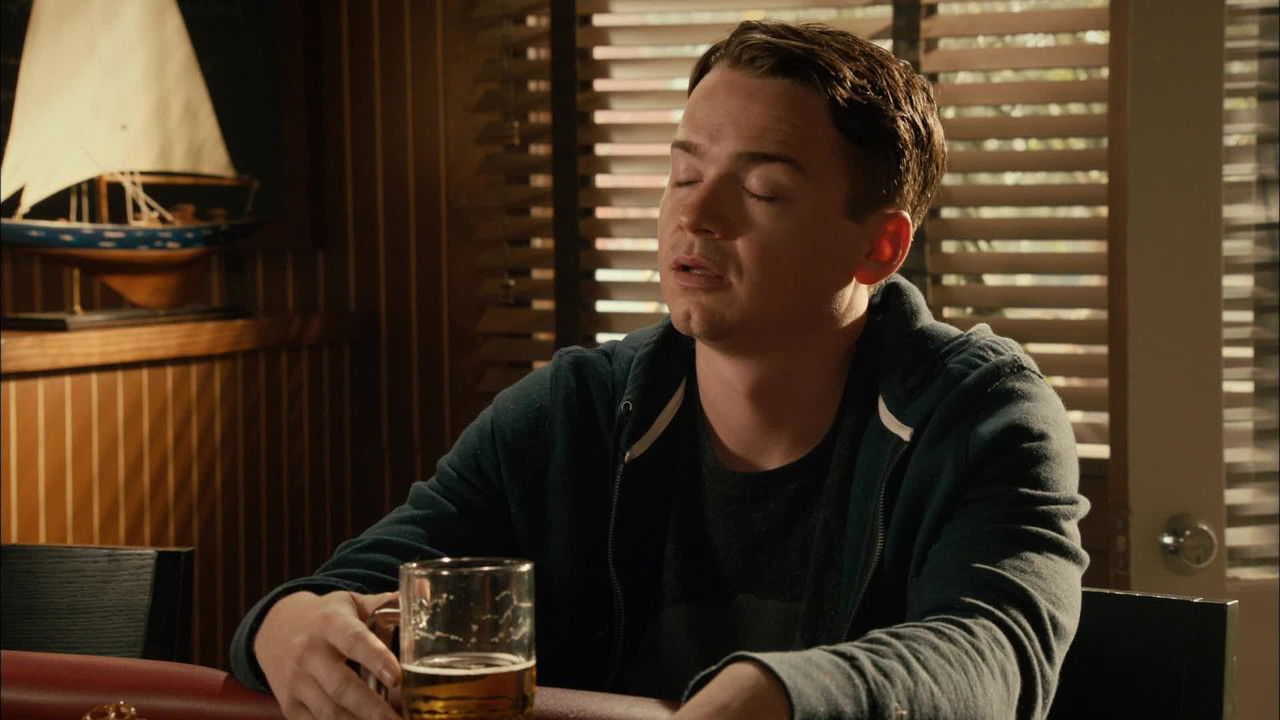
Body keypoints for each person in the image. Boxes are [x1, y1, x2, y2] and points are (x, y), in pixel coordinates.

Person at [230, 20, 1089, 720]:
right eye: (683, 175)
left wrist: (783, 695)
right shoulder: (576, 409)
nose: (695, 215)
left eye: (762, 190)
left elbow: (992, 651)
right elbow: (369, 578)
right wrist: (285, 622)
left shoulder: (980, 413)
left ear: (880, 246)